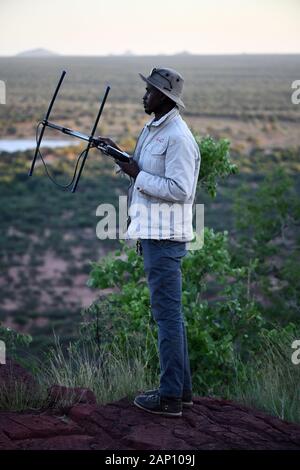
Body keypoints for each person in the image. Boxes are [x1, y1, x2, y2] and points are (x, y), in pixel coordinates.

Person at [96, 67, 201, 417]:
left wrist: (138, 174)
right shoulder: (156, 128)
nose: (144, 95)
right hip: (153, 235)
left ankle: (169, 398)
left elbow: (180, 190)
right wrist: (119, 154)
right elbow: (142, 167)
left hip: (165, 239)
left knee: (167, 318)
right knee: (172, 317)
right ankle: (182, 393)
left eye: (150, 91)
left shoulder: (178, 137)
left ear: (165, 98)